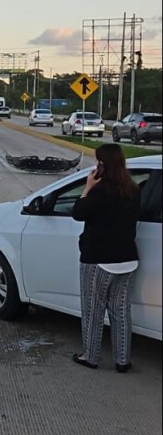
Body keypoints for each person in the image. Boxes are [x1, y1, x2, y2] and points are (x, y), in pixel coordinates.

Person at [71, 143, 140, 372]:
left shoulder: (100, 192)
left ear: (103, 165)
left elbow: (78, 213)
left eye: (97, 162)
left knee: (93, 311)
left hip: (98, 260)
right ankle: (123, 361)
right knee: (121, 312)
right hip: (127, 260)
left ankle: (90, 357)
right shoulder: (133, 190)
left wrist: (87, 187)